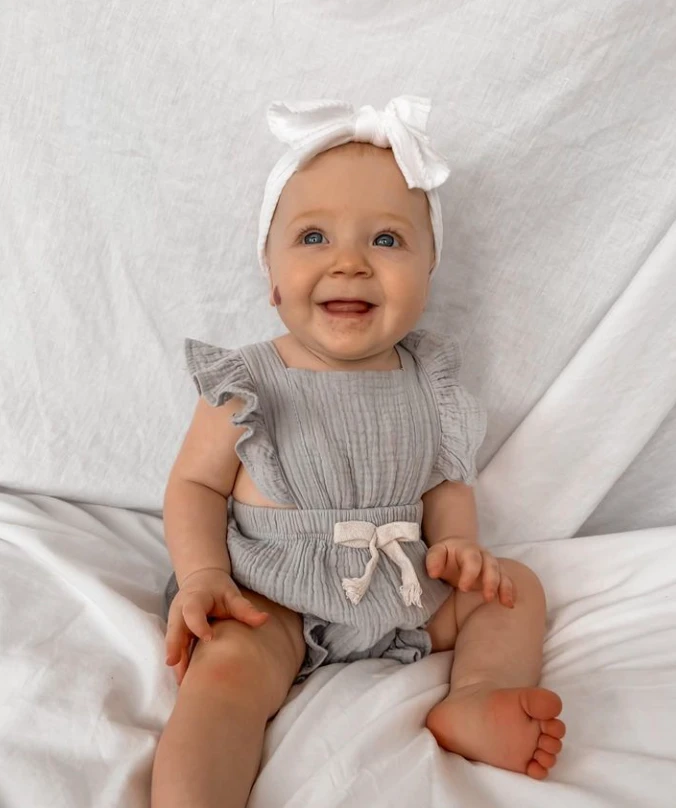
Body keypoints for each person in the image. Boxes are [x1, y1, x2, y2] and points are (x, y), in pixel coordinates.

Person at [151, 96, 565, 808]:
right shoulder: (247, 382)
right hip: (273, 599)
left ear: (428, 273)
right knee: (224, 673)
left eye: (386, 240)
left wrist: (458, 545)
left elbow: (445, 481)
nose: (349, 263)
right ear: (271, 275)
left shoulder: (429, 382)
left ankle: (476, 696)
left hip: (404, 589)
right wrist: (203, 575)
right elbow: (195, 486)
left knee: (514, 589)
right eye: (313, 237)